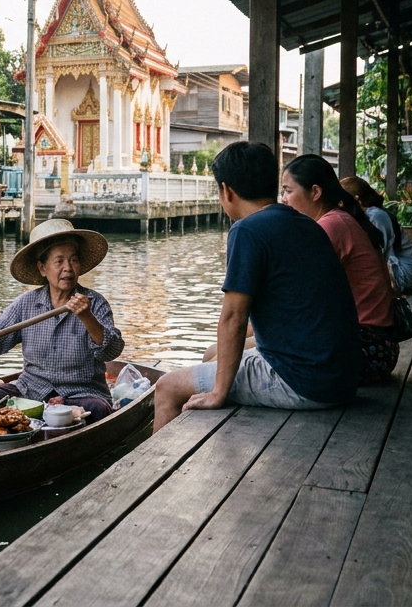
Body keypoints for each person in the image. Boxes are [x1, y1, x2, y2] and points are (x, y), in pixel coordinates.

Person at [152, 142, 360, 432]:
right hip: (343, 378)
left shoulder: (248, 229)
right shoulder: (307, 225)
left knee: (167, 386)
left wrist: (219, 394)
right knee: (214, 356)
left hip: (305, 382)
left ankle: (158, 475)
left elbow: (233, 318)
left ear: (227, 191)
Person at [0, 219, 124, 422]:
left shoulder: (94, 303)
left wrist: (87, 317)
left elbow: (111, 350)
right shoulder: (26, 303)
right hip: (31, 391)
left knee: (97, 410)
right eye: (59, 261)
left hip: (81, 392)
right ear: (42, 268)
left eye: (74, 260)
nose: (68, 268)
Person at [281, 155, 398, 382]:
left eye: (288, 191)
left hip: (365, 349)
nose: (283, 199)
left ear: (315, 192)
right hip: (377, 347)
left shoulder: (330, 226)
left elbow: (296, 292)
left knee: (221, 352)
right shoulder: (339, 219)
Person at [341, 176, 412, 293]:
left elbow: (379, 253)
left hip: (403, 272)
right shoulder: (364, 216)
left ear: (357, 199)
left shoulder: (376, 215)